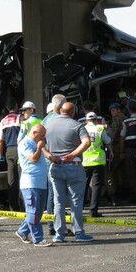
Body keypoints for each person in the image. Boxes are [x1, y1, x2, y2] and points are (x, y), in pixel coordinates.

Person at [45, 102, 93, 243]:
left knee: (58, 202)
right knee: (76, 201)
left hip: (55, 166)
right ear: (73, 112)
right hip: (73, 166)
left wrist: (49, 156)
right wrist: (73, 154)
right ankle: (79, 233)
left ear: (60, 111)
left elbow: (39, 143)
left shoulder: (48, 125)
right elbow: (86, 142)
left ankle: (59, 234)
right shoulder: (77, 125)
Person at [15, 124, 53, 247]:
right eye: (42, 135)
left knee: (38, 212)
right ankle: (38, 239)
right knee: (33, 212)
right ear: (35, 133)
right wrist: (39, 148)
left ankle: (22, 231)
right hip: (30, 182)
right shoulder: (25, 143)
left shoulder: (35, 143)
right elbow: (33, 159)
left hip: (40, 182)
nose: (43, 138)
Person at [42, 94, 66, 236]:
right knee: (59, 195)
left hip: (47, 160)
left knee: (52, 194)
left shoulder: (45, 120)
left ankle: (52, 224)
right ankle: (57, 225)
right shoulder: (60, 120)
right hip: (58, 160)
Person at [83, 111, 113, 217]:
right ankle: (93, 211)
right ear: (96, 120)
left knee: (83, 186)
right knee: (96, 187)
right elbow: (108, 141)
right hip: (98, 161)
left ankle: (79, 209)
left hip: (85, 161)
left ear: (86, 120)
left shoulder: (83, 129)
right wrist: (112, 152)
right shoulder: (99, 129)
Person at [0, 98, 22, 211]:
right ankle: (23, 206)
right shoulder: (20, 118)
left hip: (9, 151)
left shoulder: (3, 121)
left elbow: (0, 140)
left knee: (11, 179)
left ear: (7, 108)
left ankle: (13, 207)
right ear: (16, 106)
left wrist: (0, 155)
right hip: (20, 150)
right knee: (22, 177)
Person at [121, 102, 136, 203]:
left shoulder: (125, 122)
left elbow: (122, 137)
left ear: (129, 110)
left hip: (129, 149)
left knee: (131, 173)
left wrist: (122, 151)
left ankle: (134, 195)